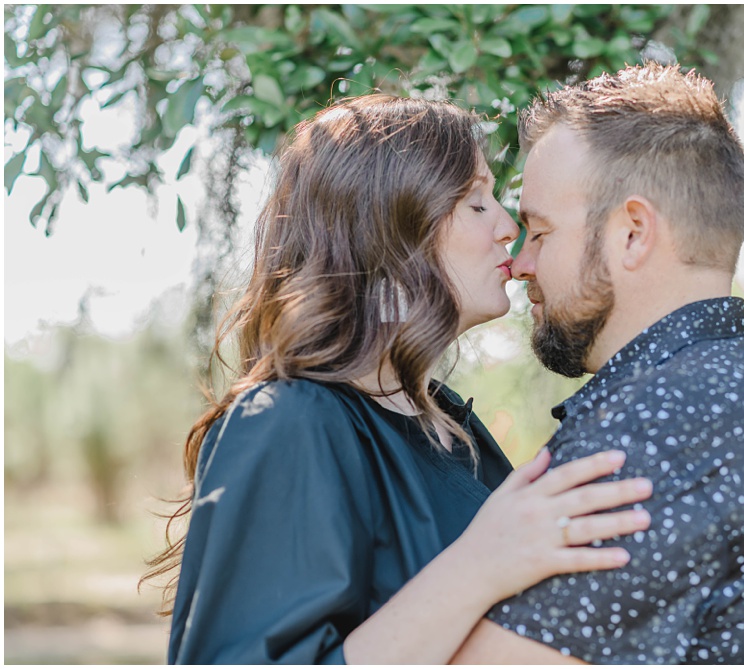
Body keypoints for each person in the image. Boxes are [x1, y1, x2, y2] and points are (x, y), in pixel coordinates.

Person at [143, 95, 656, 664]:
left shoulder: (449, 424)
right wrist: (480, 566)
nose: (508, 227)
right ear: (393, 228)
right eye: (476, 202)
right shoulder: (288, 421)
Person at [451, 63, 744, 663]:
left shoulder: (659, 425)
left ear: (632, 232)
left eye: (540, 232)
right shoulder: (722, 388)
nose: (520, 264)